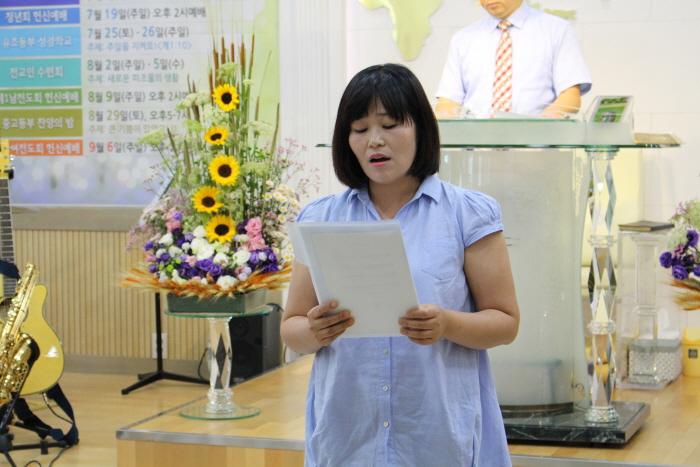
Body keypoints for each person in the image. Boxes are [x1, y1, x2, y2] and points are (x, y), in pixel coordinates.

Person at [281, 63, 519, 467]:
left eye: (390, 125)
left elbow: (505, 323)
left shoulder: (467, 213)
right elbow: (292, 329)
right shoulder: (321, 218)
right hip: (348, 434)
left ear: (421, 129)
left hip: (437, 435)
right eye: (360, 129)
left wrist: (447, 324)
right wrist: (315, 331)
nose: (375, 140)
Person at [435, 0, 591, 118]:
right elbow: (448, 101)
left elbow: (570, 95)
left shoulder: (557, 30)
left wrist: (539, 130)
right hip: (474, 147)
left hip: (537, 145)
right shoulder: (463, 38)